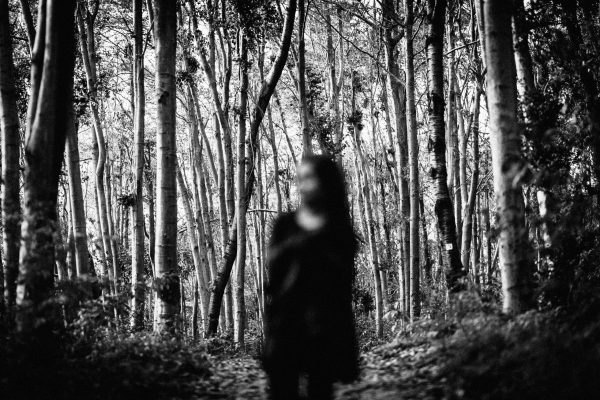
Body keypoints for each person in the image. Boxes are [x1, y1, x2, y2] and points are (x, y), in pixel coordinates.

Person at [263, 155, 359, 400]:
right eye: (300, 179)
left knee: (320, 391)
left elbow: (341, 287)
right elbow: (274, 274)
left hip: (324, 327)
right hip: (286, 324)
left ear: (326, 182)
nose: (303, 185)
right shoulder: (284, 224)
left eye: (309, 178)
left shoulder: (339, 228)